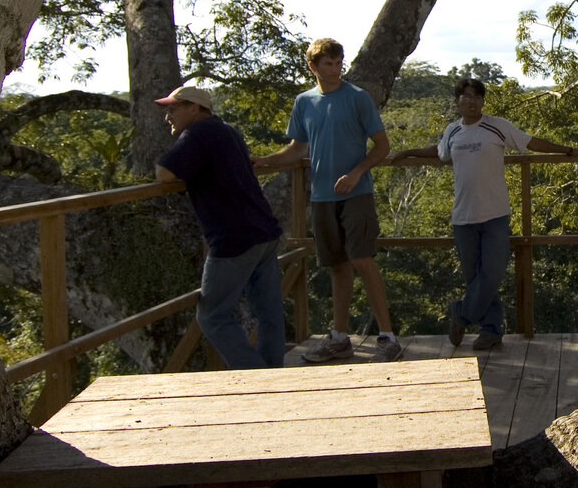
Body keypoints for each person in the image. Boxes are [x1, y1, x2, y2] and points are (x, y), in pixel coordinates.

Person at [391, 78, 578, 351]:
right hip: (463, 217)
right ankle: (491, 330)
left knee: (492, 273)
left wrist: (566, 149)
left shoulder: (497, 126)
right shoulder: (452, 132)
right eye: (466, 96)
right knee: (476, 279)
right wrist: (407, 152)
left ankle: (460, 313)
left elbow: (529, 142)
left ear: (483, 101)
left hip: (494, 214)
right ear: (458, 101)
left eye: (477, 97)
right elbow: (439, 154)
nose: (471, 101)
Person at [253, 38, 400, 362]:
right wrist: (264, 161)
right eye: (328, 64)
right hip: (321, 196)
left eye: (338, 63)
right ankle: (339, 337)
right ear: (313, 66)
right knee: (336, 265)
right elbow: (297, 148)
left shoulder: (358, 99)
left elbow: (381, 146)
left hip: (356, 193)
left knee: (362, 259)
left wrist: (357, 172)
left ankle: (387, 337)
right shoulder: (304, 102)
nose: (334, 69)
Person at [154, 85, 285, 369]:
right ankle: (274, 372)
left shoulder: (198, 133)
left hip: (234, 238)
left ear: (194, 108)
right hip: (264, 230)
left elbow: (164, 173)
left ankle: (257, 376)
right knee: (268, 312)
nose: (168, 117)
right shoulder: (227, 131)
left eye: (173, 109)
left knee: (211, 315)